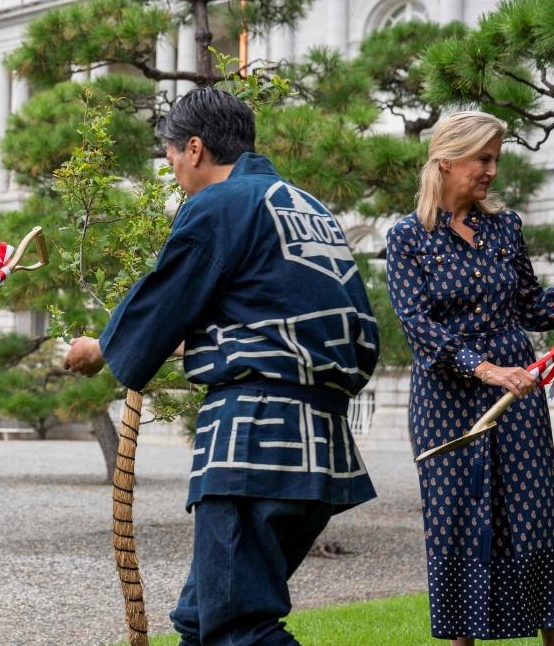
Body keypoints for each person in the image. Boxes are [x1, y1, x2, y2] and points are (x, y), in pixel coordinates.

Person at [63, 88, 379, 645]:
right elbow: (290, 318)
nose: (174, 174)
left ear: (194, 148)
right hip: (322, 446)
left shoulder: (219, 204)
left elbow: (163, 302)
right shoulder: (308, 207)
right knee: (200, 621)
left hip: (255, 440)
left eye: (170, 160)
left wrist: (100, 348)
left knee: (239, 629)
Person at [384, 111, 554, 646]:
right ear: (446, 160)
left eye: (496, 158)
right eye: (483, 158)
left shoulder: (505, 227)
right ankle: (462, 640)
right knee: (458, 525)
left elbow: (527, 302)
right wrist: (486, 369)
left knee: (534, 515)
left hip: (518, 394)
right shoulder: (407, 238)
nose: (492, 170)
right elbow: (419, 327)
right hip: (450, 403)